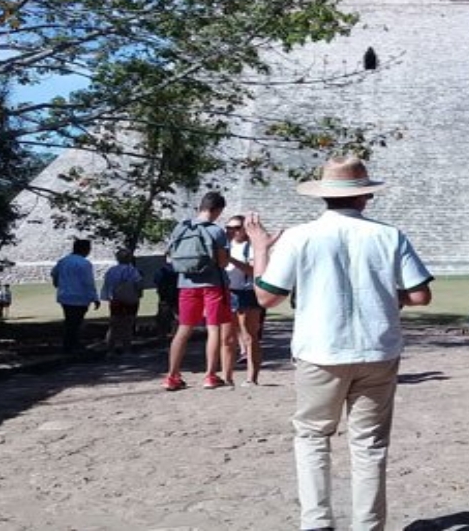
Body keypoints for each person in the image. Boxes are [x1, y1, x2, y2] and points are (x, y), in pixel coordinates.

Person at [247, 155, 433, 531]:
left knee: (313, 436)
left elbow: (267, 298)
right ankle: (367, 525)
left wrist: (262, 250)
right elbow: (419, 296)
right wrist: (385, 295)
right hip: (378, 350)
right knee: (369, 445)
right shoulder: (389, 235)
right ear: (365, 196)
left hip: (320, 351)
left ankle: (316, 521)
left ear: (323, 196)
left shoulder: (300, 236)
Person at [163, 191, 235, 391]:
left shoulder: (181, 227)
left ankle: (171, 376)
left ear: (201, 207)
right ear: (217, 210)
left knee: (183, 329)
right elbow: (222, 262)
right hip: (213, 285)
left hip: (186, 284)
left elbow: (169, 256)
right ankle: (210, 375)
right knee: (214, 328)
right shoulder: (216, 231)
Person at [224, 214, 263, 386]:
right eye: (229, 228)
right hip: (228, 291)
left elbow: (254, 269)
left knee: (249, 336)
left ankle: (251, 377)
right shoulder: (225, 245)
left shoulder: (252, 247)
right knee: (228, 337)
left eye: (237, 228)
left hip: (247, 292)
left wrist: (231, 259)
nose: (233, 231)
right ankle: (227, 376)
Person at [51, 239, 100, 353]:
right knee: (76, 322)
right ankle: (72, 344)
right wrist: (94, 298)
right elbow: (88, 282)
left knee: (70, 321)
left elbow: (54, 273)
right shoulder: (84, 263)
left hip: (65, 295)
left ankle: (70, 344)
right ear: (85, 249)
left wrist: (58, 284)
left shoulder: (63, 261)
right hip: (79, 297)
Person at [101, 247, 144, 354]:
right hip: (131, 299)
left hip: (116, 299)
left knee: (114, 324)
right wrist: (139, 294)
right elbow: (138, 285)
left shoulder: (111, 271)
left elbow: (107, 284)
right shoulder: (133, 271)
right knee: (128, 325)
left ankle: (110, 350)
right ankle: (126, 349)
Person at [154, 254, 180, 339]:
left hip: (164, 296)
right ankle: (175, 332)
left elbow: (156, 281)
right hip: (176, 295)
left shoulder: (161, 270)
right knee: (177, 315)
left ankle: (161, 333)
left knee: (163, 315)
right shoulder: (178, 270)